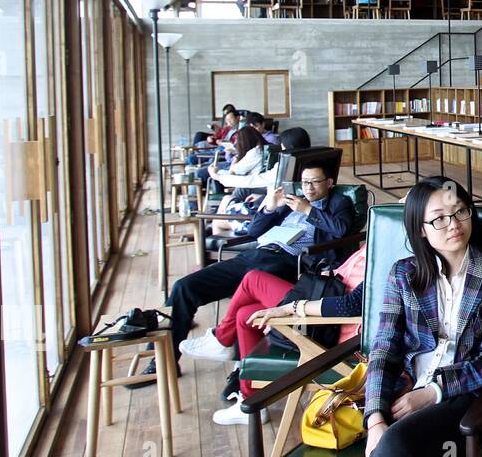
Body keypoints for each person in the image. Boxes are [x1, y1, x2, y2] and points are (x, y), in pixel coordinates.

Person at [351, 177, 482, 457]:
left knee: (397, 444)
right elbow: (384, 349)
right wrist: (374, 422)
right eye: (439, 218)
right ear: (421, 230)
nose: (453, 224)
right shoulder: (403, 275)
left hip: (465, 401)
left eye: (460, 212)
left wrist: (433, 393)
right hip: (405, 391)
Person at [134, 163, 355, 381]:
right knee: (184, 287)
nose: (309, 188)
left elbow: (342, 229)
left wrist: (307, 210)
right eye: (305, 182)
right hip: (255, 254)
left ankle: (225, 348)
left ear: (329, 183)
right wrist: (270, 207)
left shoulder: (338, 202)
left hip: (286, 260)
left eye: (315, 182)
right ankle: (164, 361)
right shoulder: (291, 201)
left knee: (246, 306)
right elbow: (254, 230)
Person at [181, 241, 368, 423]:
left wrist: (293, 307)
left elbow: (350, 306)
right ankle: (249, 401)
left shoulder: (386, 250)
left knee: (253, 279)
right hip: (325, 299)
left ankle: (222, 339)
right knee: (246, 315)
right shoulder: (377, 241)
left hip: (332, 326)